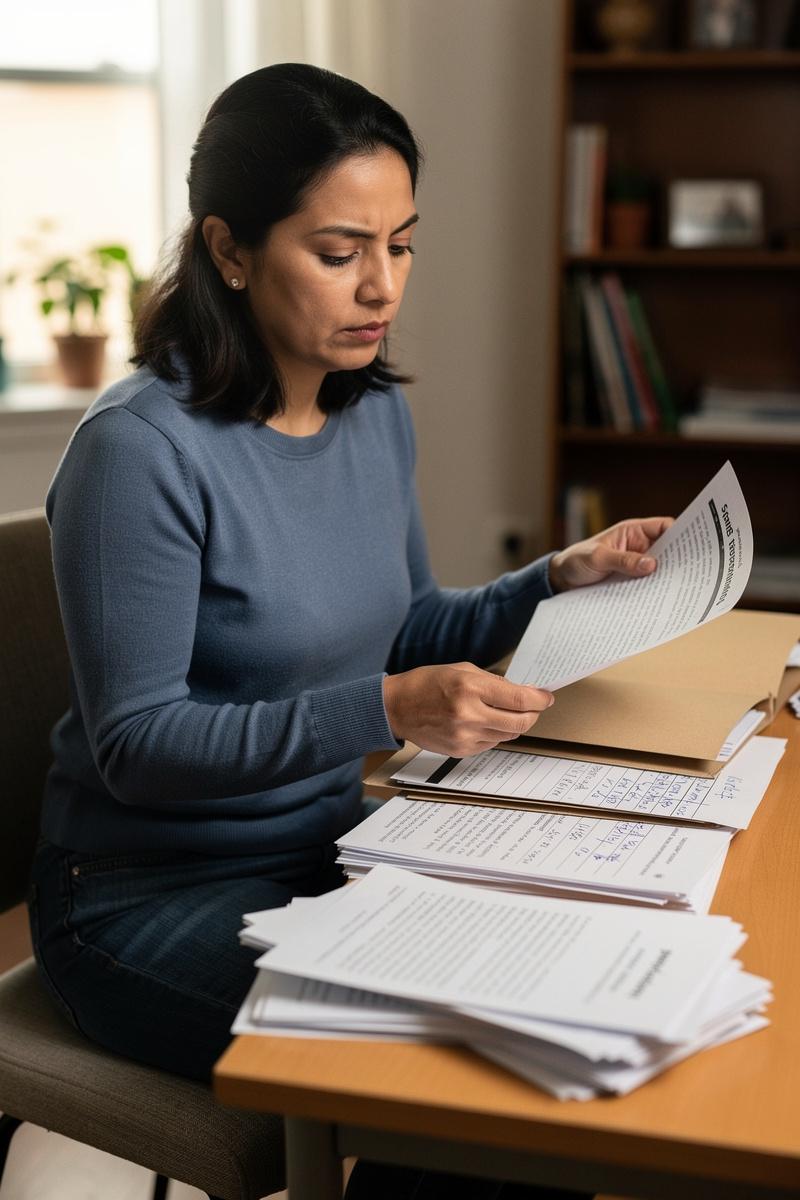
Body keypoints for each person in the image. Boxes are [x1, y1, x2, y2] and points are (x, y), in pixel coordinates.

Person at [29, 64, 670, 1199]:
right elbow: (138, 742)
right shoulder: (139, 453)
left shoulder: (370, 409)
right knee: (465, 1099)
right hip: (140, 899)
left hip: (333, 855)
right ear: (229, 250)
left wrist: (551, 579)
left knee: (554, 1039)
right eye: (338, 253)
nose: (381, 287)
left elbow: (406, 628)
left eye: (401, 244)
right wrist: (383, 712)